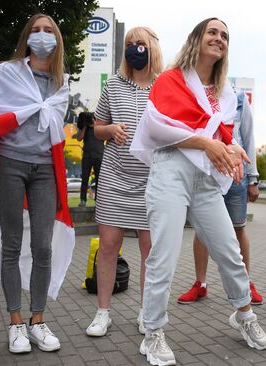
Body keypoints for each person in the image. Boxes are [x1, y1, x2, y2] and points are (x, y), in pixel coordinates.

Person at [131, 18, 266, 365]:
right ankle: (152, 332)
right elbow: (156, 127)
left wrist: (233, 149)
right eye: (212, 32)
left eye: (225, 35)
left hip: (205, 180)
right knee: (163, 255)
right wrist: (206, 144)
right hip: (171, 171)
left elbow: (223, 135)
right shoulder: (170, 79)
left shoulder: (226, 94)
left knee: (229, 251)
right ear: (197, 38)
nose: (219, 38)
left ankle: (243, 314)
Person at [0, 14, 70, 353]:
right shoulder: (7, 72)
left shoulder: (61, 83)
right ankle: (15, 323)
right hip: (8, 163)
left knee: (42, 246)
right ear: (26, 37)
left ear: (57, 39)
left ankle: (38, 320)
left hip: (44, 170)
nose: (42, 36)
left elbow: (55, 129)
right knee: (11, 245)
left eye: (48, 31)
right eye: (36, 30)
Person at [85, 26, 163, 338]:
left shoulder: (164, 85)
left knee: (150, 251)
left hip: (152, 181)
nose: (134, 49)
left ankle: (146, 313)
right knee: (108, 246)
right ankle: (102, 312)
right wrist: (111, 129)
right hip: (115, 179)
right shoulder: (113, 85)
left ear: (152, 48)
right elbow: (96, 129)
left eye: (140, 44)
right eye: (130, 44)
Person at [177, 90, 264, 305]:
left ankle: (245, 284)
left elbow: (248, 137)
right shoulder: (195, 93)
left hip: (235, 174)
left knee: (238, 228)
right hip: (206, 174)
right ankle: (200, 284)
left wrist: (252, 179)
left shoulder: (239, 98)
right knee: (202, 229)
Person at [76, 111, 103, 207]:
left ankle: (98, 201)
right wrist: (85, 126)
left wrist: (95, 124)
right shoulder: (84, 127)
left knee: (99, 179)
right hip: (87, 156)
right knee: (85, 178)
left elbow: (105, 136)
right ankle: (83, 200)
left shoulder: (99, 127)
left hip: (99, 155)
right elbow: (79, 138)